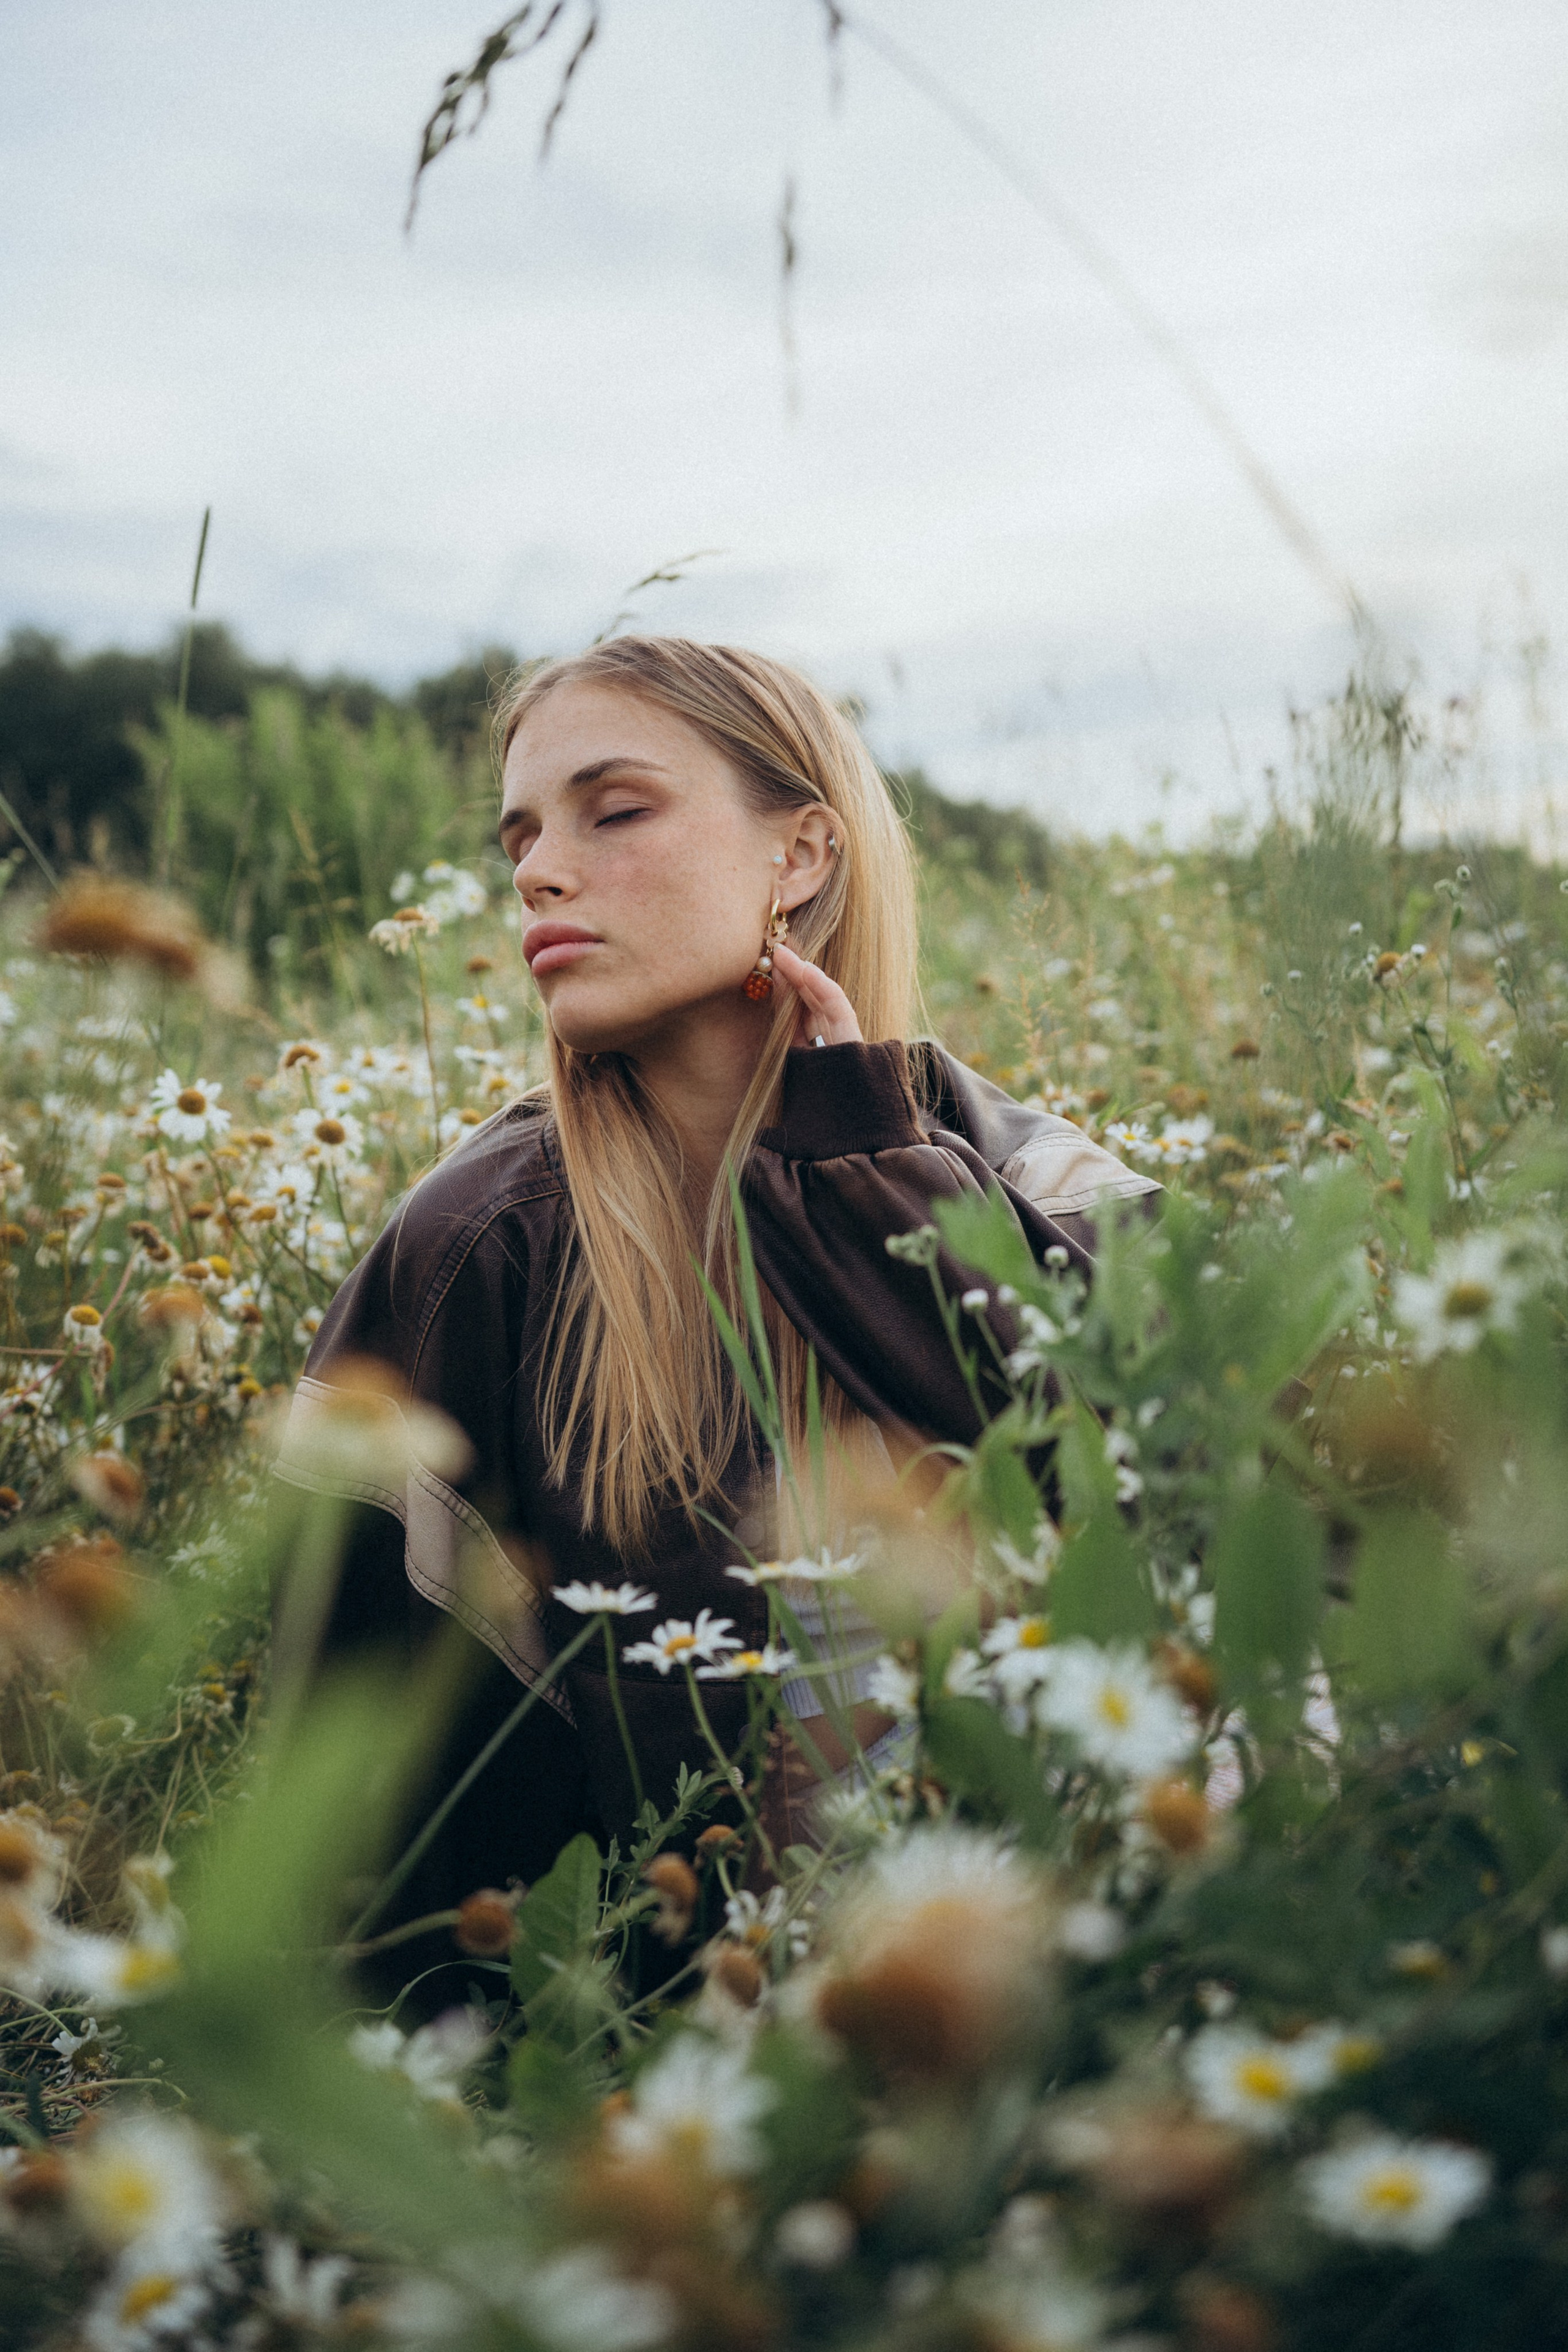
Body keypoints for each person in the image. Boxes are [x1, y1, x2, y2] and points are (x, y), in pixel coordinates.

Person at [273, 636, 1156, 1970]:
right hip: (662, 2057)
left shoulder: (1035, 1179)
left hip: (1082, 1986)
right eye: (519, 835)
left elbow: (1179, 1518)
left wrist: (861, 1173)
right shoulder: (473, 1247)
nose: (537, 870)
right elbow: (355, 1786)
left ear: (798, 857)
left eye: (612, 810)